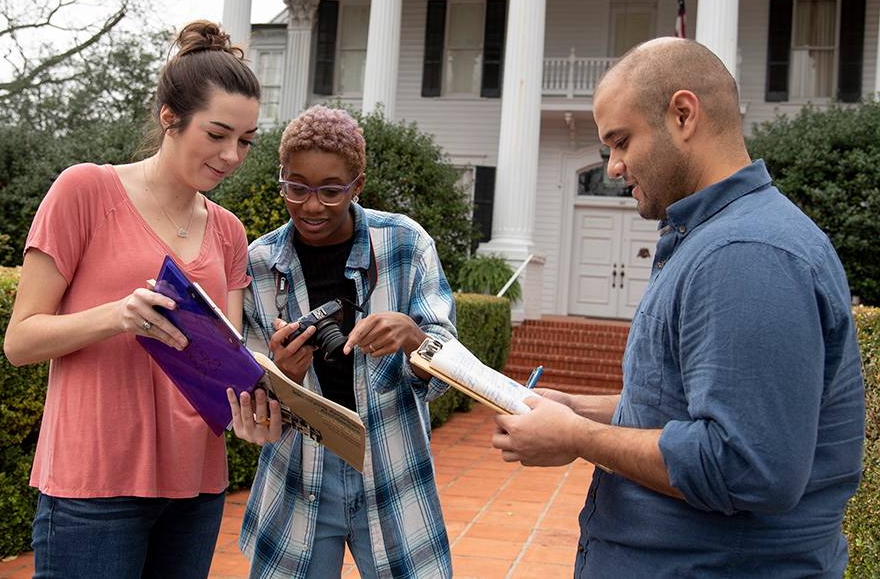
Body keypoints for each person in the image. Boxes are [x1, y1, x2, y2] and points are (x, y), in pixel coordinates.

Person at [492, 37, 865, 577]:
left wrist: (576, 438)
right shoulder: (714, 237)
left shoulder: (747, 253)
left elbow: (745, 465)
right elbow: (679, 406)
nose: (614, 167)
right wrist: (576, 406)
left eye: (620, 141)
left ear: (683, 114)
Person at [3, 21, 260, 578]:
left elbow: (226, 363)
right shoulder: (85, 191)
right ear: (171, 117)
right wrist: (118, 315)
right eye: (217, 135)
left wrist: (257, 404)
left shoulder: (229, 231)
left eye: (245, 140)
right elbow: (20, 341)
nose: (232, 155)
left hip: (196, 485)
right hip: (94, 484)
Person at [227, 105, 456, 578]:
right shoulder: (260, 263)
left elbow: (446, 368)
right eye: (296, 187)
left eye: (331, 191)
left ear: (358, 185)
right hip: (298, 475)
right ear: (283, 178)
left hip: (393, 468)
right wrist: (283, 373)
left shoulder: (405, 244)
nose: (311, 205)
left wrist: (414, 339)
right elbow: (249, 400)